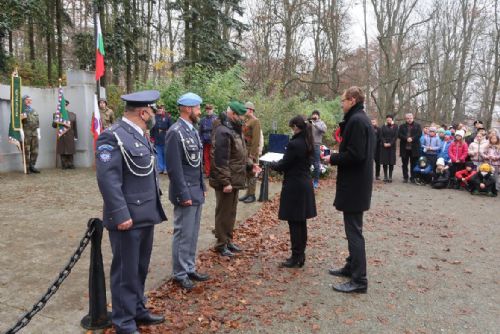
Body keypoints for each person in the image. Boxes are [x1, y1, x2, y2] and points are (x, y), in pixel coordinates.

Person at [95, 90, 166, 334]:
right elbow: (108, 179)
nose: (155, 115)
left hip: (145, 214)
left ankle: (137, 308)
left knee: (140, 267)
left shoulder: (139, 135)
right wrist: (120, 213)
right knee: (125, 271)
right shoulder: (112, 136)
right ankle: (124, 321)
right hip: (127, 217)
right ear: (143, 112)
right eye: (153, 111)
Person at [322, 86, 374, 294]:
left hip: (355, 185)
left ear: (352, 100)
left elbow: (356, 155)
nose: (341, 104)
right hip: (357, 183)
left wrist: (331, 158)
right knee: (354, 228)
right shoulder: (360, 119)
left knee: (354, 231)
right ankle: (351, 266)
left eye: (343, 101)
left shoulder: (357, 121)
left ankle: (359, 280)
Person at [165, 92, 210, 290]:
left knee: (192, 233)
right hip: (185, 192)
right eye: (198, 108)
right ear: (188, 109)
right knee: (183, 233)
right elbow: (175, 169)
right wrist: (184, 195)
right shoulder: (175, 132)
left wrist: (203, 187)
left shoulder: (191, 130)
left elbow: (197, 164)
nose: (200, 111)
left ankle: (189, 267)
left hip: (196, 190)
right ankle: (180, 272)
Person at [209, 101, 261, 257]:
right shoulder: (222, 131)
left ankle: (228, 240)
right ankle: (220, 244)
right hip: (227, 180)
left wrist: (251, 166)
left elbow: (241, 154)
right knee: (223, 212)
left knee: (231, 212)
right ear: (232, 114)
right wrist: (225, 181)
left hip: (236, 177)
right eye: (240, 115)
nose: (242, 119)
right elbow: (219, 159)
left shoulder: (235, 129)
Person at [269, 115, 317, 268]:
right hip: (305, 183)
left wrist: (271, 164)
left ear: (296, 127)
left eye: (292, 127)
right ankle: (300, 255)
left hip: (294, 185)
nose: (292, 130)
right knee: (301, 222)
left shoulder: (295, 143)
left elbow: (284, 164)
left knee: (294, 223)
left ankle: (296, 257)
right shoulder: (308, 141)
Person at [239, 101, 262, 203]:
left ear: (251, 110)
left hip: (252, 151)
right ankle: (248, 193)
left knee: (252, 173)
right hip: (245, 149)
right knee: (248, 173)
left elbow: (256, 139)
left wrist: (252, 154)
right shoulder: (246, 120)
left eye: (245, 109)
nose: (244, 111)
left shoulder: (255, 121)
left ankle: (252, 195)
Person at [52, 100, 78, 169]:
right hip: (61, 135)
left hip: (70, 135)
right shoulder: (56, 115)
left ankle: (71, 163)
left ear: (67, 105)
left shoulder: (72, 115)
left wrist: (76, 136)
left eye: (65, 105)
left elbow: (75, 127)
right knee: (62, 150)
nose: (64, 107)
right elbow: (54, 125)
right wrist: (56, 119)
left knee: (70, 150)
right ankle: (64, 164)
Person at [398, 113, 422, 183]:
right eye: (408, 118)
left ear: (413, 118)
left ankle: (413, 177)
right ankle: (405, 177)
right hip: (404, 148)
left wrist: (412, 138)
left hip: (414, 148)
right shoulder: (402, 126)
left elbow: (419, 134)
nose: (409, 120)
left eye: (410, 118)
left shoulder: (417, 125)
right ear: (406, 119)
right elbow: (399, 135)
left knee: (413, 164)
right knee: (404, 164)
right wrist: (406, 138)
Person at [21, 95, 40, 174]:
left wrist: (39, 133)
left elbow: (38, 123)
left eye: (30, 100)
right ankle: (27, 167)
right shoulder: (21, 111)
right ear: (24, 101)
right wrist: (21, 133)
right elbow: (19, 123)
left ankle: (32, 166)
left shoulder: (34, 111)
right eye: (27, 100)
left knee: (35, 151)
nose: (29, 101)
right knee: (26, 151)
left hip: (34, 134)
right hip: (26, 134)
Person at [150, 105, 171, 174]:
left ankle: (165, 168)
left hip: (165, 138)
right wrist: (152, 138)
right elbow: (152, 128)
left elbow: (171, 128)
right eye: (158, 109)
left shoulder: (167, 117)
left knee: (165, 154)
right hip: (157, 138)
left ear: (163, 109)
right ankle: (160, 168)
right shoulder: (154, 117)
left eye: (161, 108)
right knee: (158, 154)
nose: (159, 110)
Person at [199, 104, 217, 177]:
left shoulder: (216, 119)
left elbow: (218, 130)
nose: (208, 111)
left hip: (214, 141)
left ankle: (214, 173)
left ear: (213, 110)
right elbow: (200, 131)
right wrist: (200, 139)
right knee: (206, 157)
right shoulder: (203, 120)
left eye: (210, 109)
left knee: (213, 157)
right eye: (207, 109)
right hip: (205, 141)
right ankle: (207, 172)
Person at [310, 110, 327, 188]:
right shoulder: (310, 122)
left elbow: (324, 130)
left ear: (318, 116)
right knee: (307, 161)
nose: (314, 116)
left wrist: (315, 124)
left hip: (316, 145)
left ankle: (316, 181)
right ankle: (307, 179)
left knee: (316, 163)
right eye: (313, 115)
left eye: (315, 115)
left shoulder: (321, 123)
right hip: (308, 144)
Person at [379, 114, 398, 183]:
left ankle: (390, 176)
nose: (388, 121)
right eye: (387, 120)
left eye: (390, 119)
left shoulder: (395, 126)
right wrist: (384, 143)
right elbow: (381, 136)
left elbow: (395, 136)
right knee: (385, 162)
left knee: (391, 162)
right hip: (384, 146)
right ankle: (385, 176)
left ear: (392, 120)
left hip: (392, 146)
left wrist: (390, 143)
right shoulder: (383, 126)